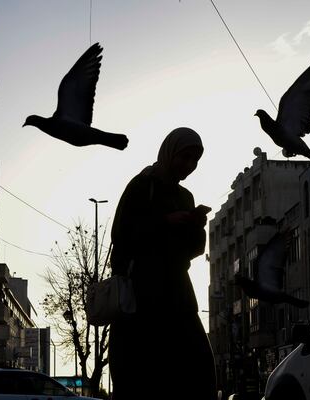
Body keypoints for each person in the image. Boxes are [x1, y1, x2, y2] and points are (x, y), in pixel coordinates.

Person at [108, 127, 216, 399]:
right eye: (185, 157)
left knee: (199, 369)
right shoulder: (142, 186)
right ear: (170, 153)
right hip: (142, 300)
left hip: (178, 296)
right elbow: (121, 235)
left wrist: (196, 226)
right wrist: (165, 222)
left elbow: (191, 251)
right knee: (143, 376)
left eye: (195, 160)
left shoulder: (185, 196)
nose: (189, 166)